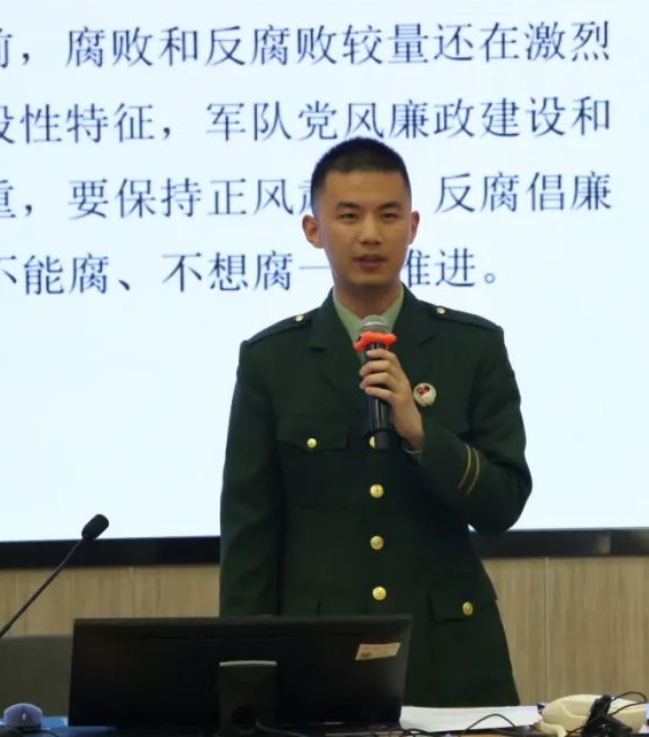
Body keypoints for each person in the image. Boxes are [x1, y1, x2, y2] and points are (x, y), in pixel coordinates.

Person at [218, 137, 532, 707]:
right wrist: (246, 684)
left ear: (413, 226)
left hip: (450, 657)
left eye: (388, 216)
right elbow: (250, 537)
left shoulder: (472, 347)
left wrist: (422, 433)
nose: (370, 234)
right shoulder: (272, 360)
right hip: (320, 657)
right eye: (348, 216)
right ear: (313, 230)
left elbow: (502, 506)